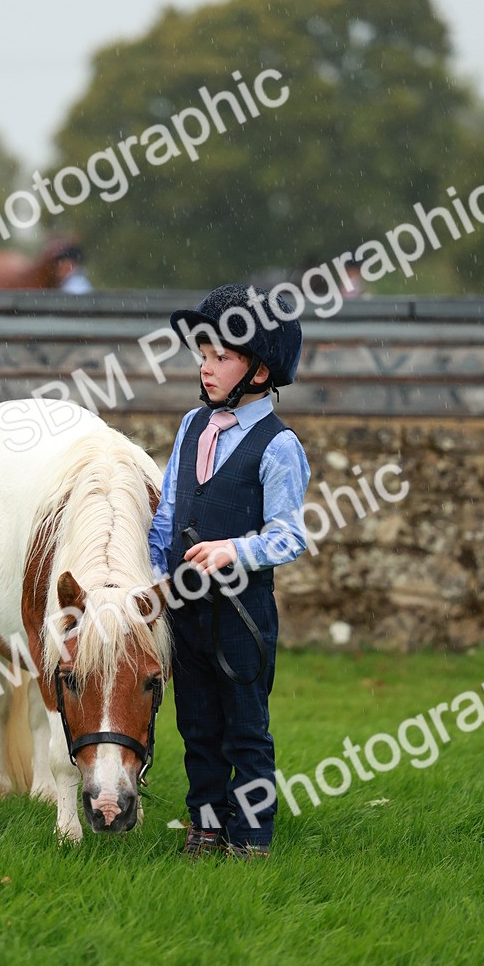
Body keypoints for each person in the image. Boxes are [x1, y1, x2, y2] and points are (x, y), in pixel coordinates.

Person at [148, 284, 310, 860]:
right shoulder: (193, 425)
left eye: (221, 358)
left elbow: (290, 535)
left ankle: (251, 837)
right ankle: (206, 826)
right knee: (197, 727)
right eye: (203, 354)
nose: (205, 366)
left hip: (242, 614)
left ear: (260, 372)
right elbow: (167, 515)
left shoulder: (278, 445)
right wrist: (150, 579)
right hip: (187, 609)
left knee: (245, 727)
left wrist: (233, 551)